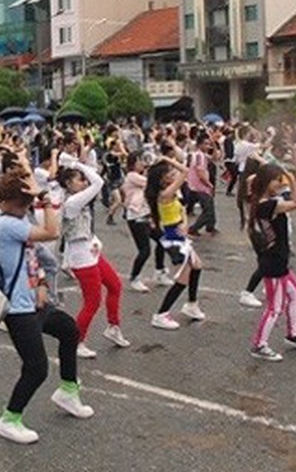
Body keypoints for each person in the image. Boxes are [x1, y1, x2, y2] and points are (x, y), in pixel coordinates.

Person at [0, 168, 93, 444]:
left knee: (69, 331)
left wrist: (43, 285)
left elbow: (34, 256)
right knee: (36, 368)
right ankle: (9, 419)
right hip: (17, 310)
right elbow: (52, 231)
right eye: (26, 202)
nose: (27, 207)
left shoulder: (17, 219)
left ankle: (68, 392)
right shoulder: (5, 224)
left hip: (33, 302)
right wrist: (45, 200)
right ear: (16, 202)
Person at [59, 163, 131, 358]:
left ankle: (113, 327)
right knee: (92, 302)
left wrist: (95, 240)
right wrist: (76, 162)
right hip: (82, 258)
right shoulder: (72, 202)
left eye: (84, 179)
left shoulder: (78, 201)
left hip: (90, 251)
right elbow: (98, 181)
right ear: (68, 183)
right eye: (79, 179)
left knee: (115, 285)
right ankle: (77, 341)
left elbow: (85, 227)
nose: (84, 182)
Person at [248, 164, 296, 361]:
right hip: (273, 263)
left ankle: (292, 334)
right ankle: (259, 345)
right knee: (274, 307)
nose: (280, 183)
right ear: (267, 181)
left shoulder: (264, 200)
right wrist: (292, 179)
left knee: (295, 294)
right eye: (277, 180)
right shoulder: (266, 205)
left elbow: (253, 180)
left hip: (279, 259)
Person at [145, 156, 207, 329]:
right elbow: (186, 171)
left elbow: (182, 211)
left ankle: (192, 305)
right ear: (162, 179)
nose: (173, 174)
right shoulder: (165, 194)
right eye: (169, 173)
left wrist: (186, 225)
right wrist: (166, 158)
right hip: (173, 237)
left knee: (197, 265)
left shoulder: (171, 193)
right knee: (182, 278)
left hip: (179, 234)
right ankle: (161, 314)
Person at [122, 151, 171, 292]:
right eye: (139, 161)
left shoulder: (140, 176)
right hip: (136, 217)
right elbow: (152, 182)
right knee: (144, 250)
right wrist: (155, 167)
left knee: (162, 240)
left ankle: (159, 271)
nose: (142, 163)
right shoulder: (132, 176)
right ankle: (134, 277)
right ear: (133, 163)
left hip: (146, 215)